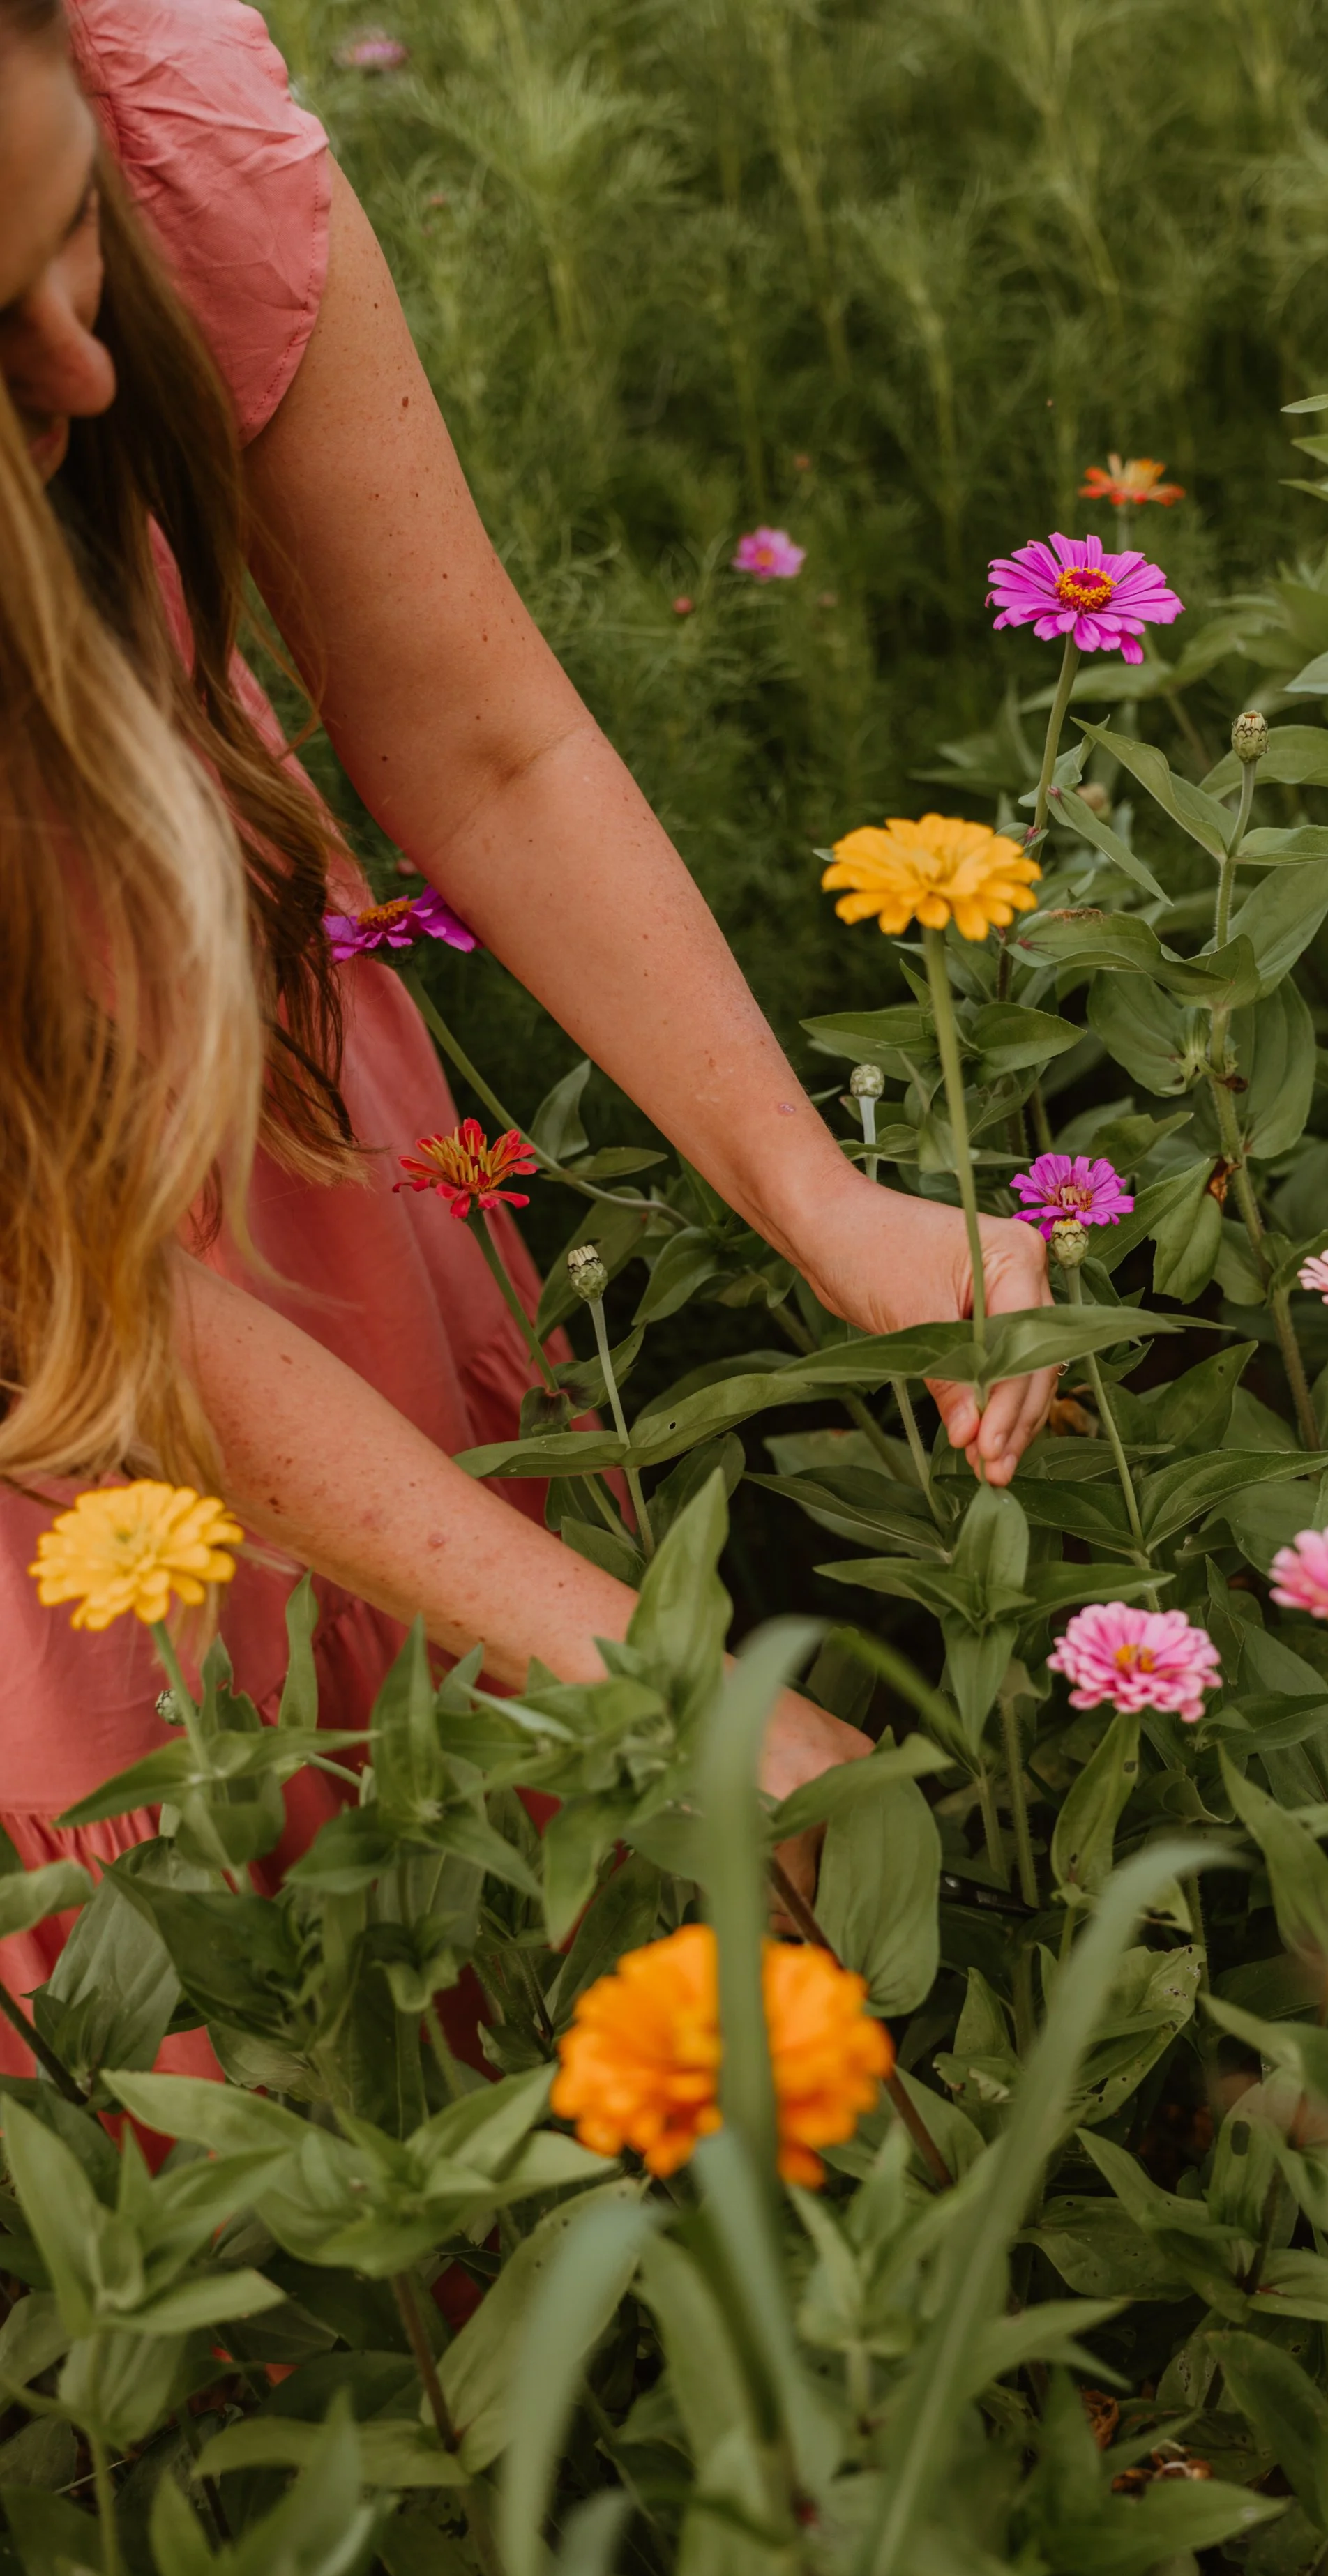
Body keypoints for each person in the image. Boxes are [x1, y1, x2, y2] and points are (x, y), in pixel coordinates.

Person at [0, 0, 1052, 2039]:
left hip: (285, 1155)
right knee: (228, 2036)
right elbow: (61, 1267)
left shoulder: (149, 99)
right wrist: (667, 1687)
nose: (89, 365)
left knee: (536, 1949)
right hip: (72, 1381)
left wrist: (816, 1195)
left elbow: (474, 738)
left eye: (67, 236)